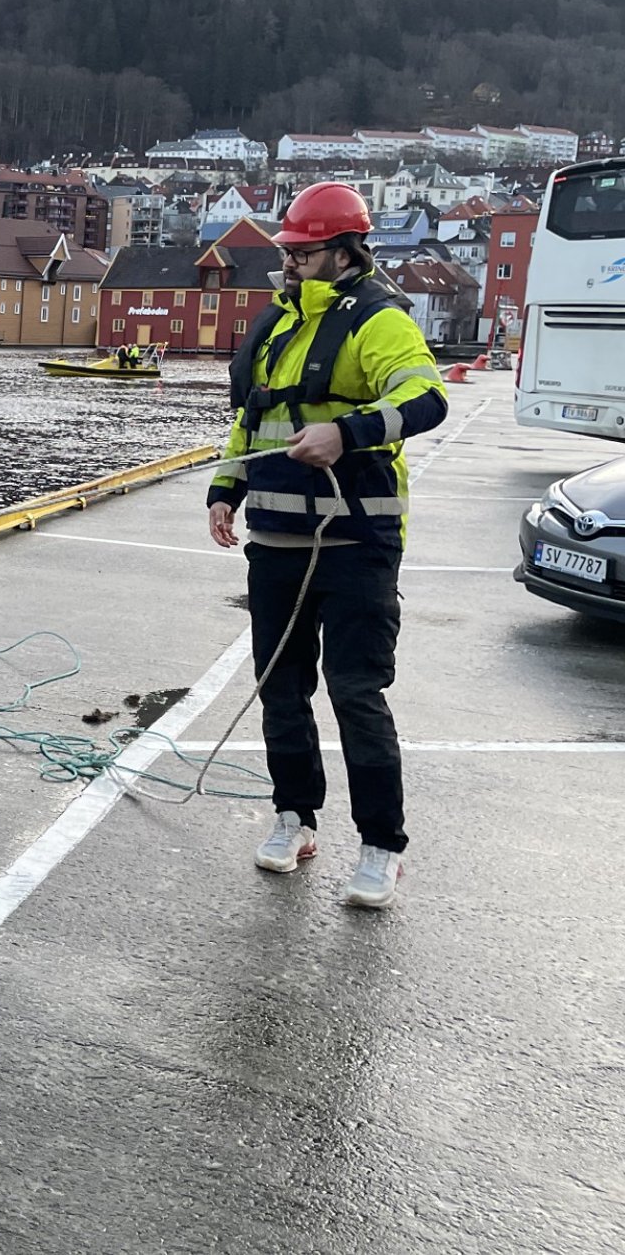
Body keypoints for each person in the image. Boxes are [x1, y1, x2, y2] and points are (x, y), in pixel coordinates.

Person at [205, 182, 448, 908]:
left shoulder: (378, 321)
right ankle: (294, 820)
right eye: (288, 252)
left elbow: (426, 399)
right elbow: (252, 424)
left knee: (355, 692)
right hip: (275, 540)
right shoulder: (276, 326)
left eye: (303, 253)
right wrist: (225, 491)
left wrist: (348, 431)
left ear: (343, 253)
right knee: (282, 689)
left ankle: (380, 848)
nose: (290, 263)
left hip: (355, 540)